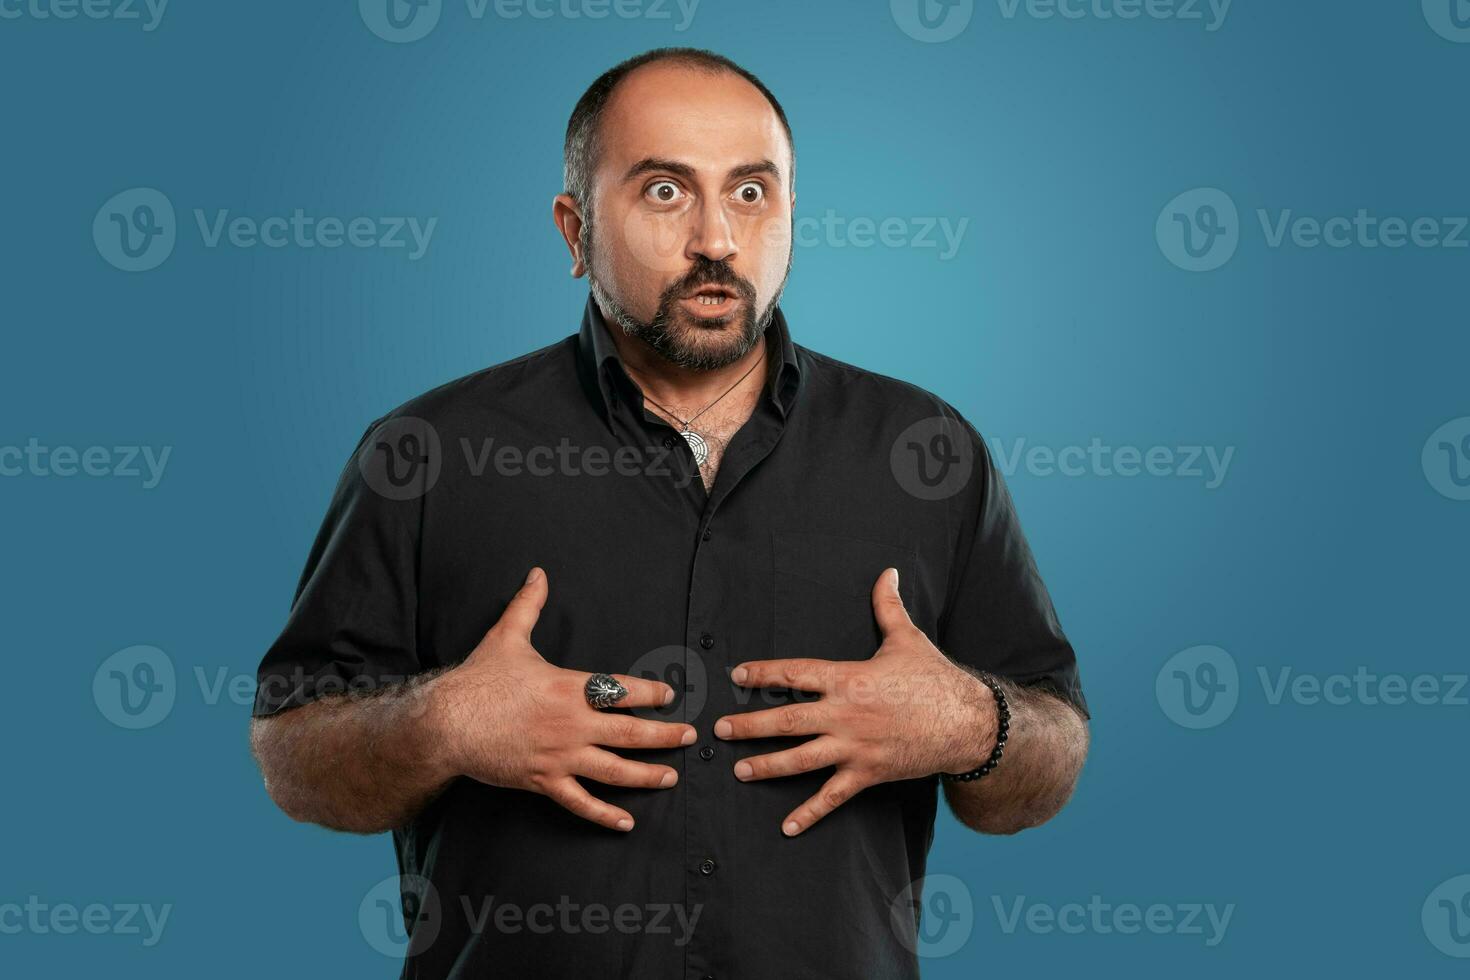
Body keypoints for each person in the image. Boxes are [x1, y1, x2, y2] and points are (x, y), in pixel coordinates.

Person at [250, 46, 1090, 980]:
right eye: (663, 192)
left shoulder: (930, 454)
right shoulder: (424, 455)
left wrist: (971, 723)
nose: (716, 240)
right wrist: (440, 724)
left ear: (790, 217)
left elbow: (1052, 754)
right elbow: (293, 752)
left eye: (750, 194)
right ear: (574, 231)